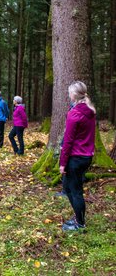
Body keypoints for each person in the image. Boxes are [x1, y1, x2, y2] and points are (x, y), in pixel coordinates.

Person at [59, 81, 96, 232]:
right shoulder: (89, 110)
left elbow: (68, 141)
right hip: (85, 156)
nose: (68, 95)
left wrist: (62, 163)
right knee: (68, 187)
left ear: (74, 95)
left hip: (76, 158)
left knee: (75, 190)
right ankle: (78, 217)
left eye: (69, 93)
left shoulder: (75, 114)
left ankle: (80, 223)